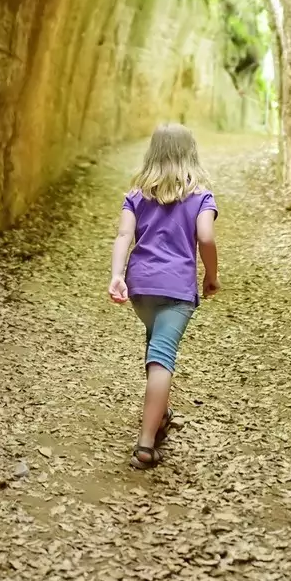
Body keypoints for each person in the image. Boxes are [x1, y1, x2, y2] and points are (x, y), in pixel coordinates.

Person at [107, 123, 219, 469]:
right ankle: (145, 444)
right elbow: (206, 238)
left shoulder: (137, 194)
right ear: (191, 153)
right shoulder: (201, 196)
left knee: (155, 341)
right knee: (163, 357)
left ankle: (161, 410)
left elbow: (124, 236)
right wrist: (211, 275)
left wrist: (116, 275)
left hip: (141, 286)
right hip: (176, 289)